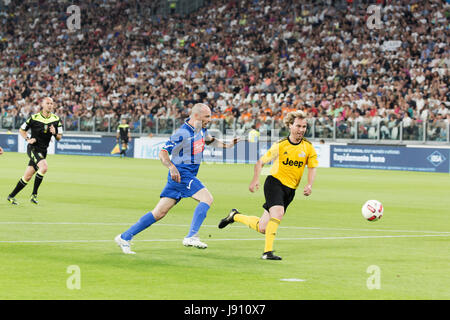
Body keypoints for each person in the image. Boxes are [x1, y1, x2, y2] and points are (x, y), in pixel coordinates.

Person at [115, 103, 239, 254]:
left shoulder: (201, 128)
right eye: (207, 116)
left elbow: (208, 139)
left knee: (159, 213)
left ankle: (124, 237)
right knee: (207, 198)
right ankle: (192, 236)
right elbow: (162, 153)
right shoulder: (182, 132)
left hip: (181, 177)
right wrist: (171, 167)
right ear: (196, 116)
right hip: (181, 174)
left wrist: (227, 145)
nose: (210, 119)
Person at [218, 111, 318, 260]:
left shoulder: (308, 147)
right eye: (298, 126)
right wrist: (255, 179)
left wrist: (309, 184)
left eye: (304, 126)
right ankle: (267, 252)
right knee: (278, 213)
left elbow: (312, 167)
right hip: (274, 183)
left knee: (263, 227)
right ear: (290, 125)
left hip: (290, 190)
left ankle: (235, 216)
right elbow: (260, 162)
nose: (301, 129)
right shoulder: (280, 145)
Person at [7, 97, 63, 205]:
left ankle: (11, 196)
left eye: (51, 103)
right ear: (42, 104)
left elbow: (59, 137)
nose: (50, 105)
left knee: (27, 176)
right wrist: (28, 139)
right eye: (47, 103)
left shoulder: (56, 119)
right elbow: (22, 130)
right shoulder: (34, 118)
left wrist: (55, 133)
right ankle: (34, 194)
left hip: (43, 151)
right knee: (44, 167)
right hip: (33, 148)